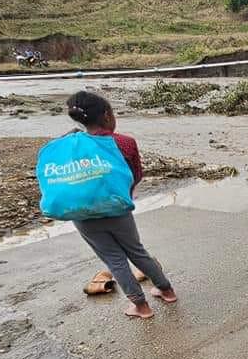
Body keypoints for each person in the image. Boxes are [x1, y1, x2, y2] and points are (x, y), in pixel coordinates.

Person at [63, 91, 177, 319]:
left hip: (83, 214)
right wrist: (122, 196)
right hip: (117, 208)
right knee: (138, 252)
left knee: (114, 260)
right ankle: (167, 291)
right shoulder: (124, 142)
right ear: (106, 115)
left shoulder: (69, 144)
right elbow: (136, 175)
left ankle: (141, 307)